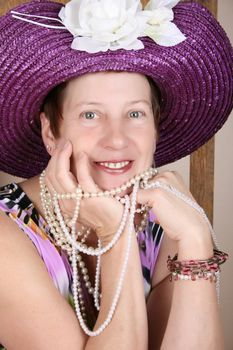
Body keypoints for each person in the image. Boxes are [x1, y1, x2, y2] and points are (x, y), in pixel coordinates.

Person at [0, 0, 232, 349]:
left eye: (135, 114)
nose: (117, 138)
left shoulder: (166, 215)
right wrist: (115, 234)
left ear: (155, 128)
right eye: (91, 115)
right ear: (51, 132)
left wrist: (196, 237)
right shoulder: (5, 233)